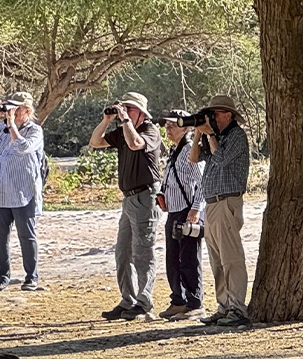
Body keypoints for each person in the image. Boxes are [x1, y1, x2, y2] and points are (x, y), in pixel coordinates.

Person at [89, 92, 162, 321]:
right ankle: (128, 299)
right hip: (129, 199)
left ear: (141, 112)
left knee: (143, 252)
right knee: (123, 252)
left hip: (145, 196)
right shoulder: (123, 130)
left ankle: (144, 301)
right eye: (124, 108)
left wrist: (126, 121)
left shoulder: (150, 131)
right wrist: (107, 120)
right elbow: (95, 142)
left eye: (130, 109)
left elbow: (134, 144)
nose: (125, 112)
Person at [189, 95, 251, 327]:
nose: (212, 118)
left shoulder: (236, 136)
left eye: (215, 114)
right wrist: (198, 132)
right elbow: (194, 158)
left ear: (228, 115)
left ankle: (237, 308)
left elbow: (222, 159)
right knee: (217, 260)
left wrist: (210, 134)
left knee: (231, 258)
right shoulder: (215, 137)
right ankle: (224, 306)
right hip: (212, 204)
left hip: (227, 202)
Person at [0, 93, 44, 292]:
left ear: (27, 111)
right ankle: (2, 277)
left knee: (27, 236)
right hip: (0, 191)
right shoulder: (2, 128)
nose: (12, 112)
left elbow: (23, 146)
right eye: (10, 108)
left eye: (16, 108)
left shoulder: (35, 131)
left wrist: (13, 125)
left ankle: (31, 277)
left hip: (23, 192)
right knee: (0, 237)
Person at [156, 110, 206, 321]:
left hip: (187, 213)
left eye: (172, 125)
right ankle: (179, 301)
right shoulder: (175, 151)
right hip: (174, 212)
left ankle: (195, 303)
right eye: (166, 125)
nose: (168, 129)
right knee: (172, 260)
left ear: (186, 128)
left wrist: (195, 210)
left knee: (188, 259)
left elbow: (203, 182)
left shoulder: (189, 151)